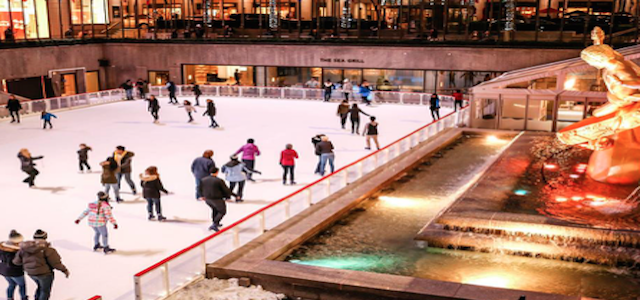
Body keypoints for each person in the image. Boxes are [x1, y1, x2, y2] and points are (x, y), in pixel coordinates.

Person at [13, 230, 69, 300]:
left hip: (31, 274)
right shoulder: (48, 249)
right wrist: (64, 270)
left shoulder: (24, 249)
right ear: (45, 237)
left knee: (40, 286)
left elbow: (16, 262)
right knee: (45, 291)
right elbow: (55, 263)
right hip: (45, 274)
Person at [198, 167, 234, 232]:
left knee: (215, 210)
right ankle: (215, 224)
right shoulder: (219, 181)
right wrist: (235, 195)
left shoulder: (203, 179)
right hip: (217, 199)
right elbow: (226, 190)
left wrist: (201, 195)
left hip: (208, 199)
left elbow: (199, 188)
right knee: (222, 211)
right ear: (217, 172)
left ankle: (215, 223)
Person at [0, 230, 26, 300]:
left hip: (3, 270)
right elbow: (13, 262)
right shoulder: (16, 251)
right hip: (15, 272)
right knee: (22, 285)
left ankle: (9, 298)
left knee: (11, 284)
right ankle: (23, 298)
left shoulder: (2, 247)